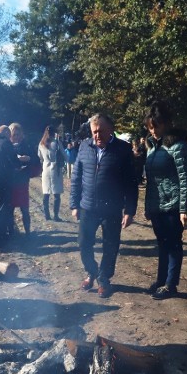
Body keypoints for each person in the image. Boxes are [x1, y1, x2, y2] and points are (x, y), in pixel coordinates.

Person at [70, 113, 139, 299]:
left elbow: (131, 183)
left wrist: (129, 210)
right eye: (94, 131)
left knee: (110, 246)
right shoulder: (84, 147)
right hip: (87, 207)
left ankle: (103, 279)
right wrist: (74, 204)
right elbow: (76, 178)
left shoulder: (123, 149)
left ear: (110, 131)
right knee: (84, 243)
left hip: (112, 208)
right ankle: (91, 271)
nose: (97, 135)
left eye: (101, 131)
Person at [143, 100, 187, 300]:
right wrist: (148, 206)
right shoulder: (151, 147)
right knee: (162, 244)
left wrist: (185, 208)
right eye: (150, 127)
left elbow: (185, 178)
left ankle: (171, 284)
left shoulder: (178, 146)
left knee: (173, 245)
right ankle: (161, 280)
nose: (153, 130)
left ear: (166, 123)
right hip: (156, 206)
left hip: (173, 206)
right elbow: (150, 181)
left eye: (156, 126)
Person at [9, 123, 39, 237]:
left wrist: (28, 158)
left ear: (21, 134)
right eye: (14, 134)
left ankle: (27, 233)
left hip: (22, 180)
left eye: (18, 134)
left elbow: (36, 160)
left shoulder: (27, 145)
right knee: (10, 209)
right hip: (11, 181)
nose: (16, 137)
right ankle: (12, 233)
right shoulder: (7, 145)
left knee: (24, 208)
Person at [38, 126, 65, 221]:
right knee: (56, 194)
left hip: (45, 169)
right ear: (54, 133)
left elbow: (40, 157)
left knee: (46, 193)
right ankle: (56, 216)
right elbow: (64, 155)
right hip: (56, 169)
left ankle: (47, 215)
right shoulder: (56, 143)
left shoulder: (41, 144)